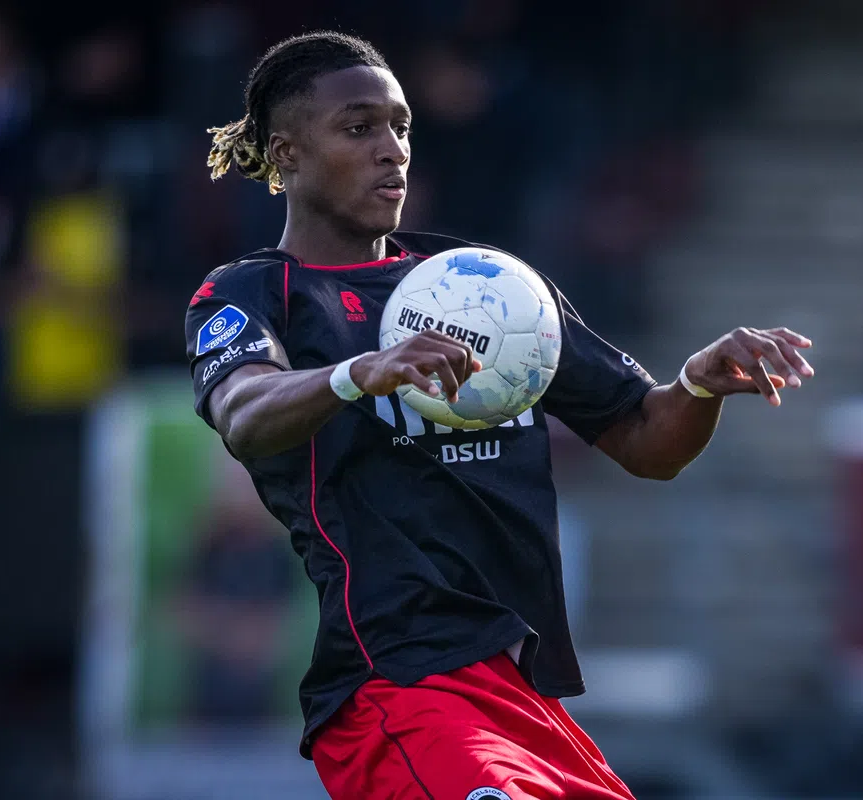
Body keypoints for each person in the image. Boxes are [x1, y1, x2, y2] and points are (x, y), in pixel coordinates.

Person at [186, 30, 814, 800]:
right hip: (398, 690)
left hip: (527, 698)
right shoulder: (252, 294)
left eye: (401, 127)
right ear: (286, 153)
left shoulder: (483, 288)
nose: (392, 150)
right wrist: (356, 374)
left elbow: (649, 440)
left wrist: (698, 385)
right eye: (359, 128)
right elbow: (244, 409)